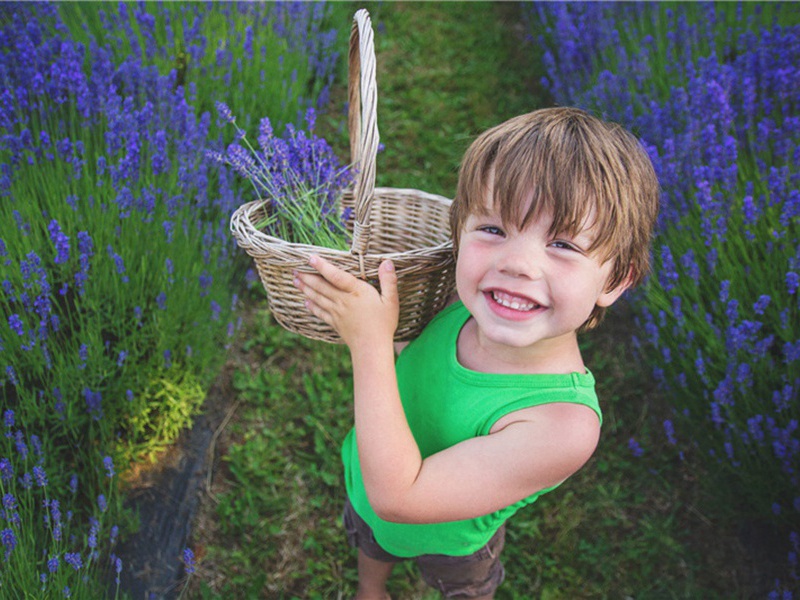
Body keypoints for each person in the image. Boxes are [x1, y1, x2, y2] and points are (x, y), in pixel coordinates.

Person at [293, 106, 660, 599]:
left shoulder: (563, 424)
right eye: (492, 230)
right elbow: (415, 356)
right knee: (372, 538)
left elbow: (399, 496)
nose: (518, 263)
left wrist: (370, 343)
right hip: (369, 473)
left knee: (462, 585)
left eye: (563, 244)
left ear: (615, 280)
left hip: (453, 541)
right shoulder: (454, 301)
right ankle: (370, 589)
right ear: (458, 234)